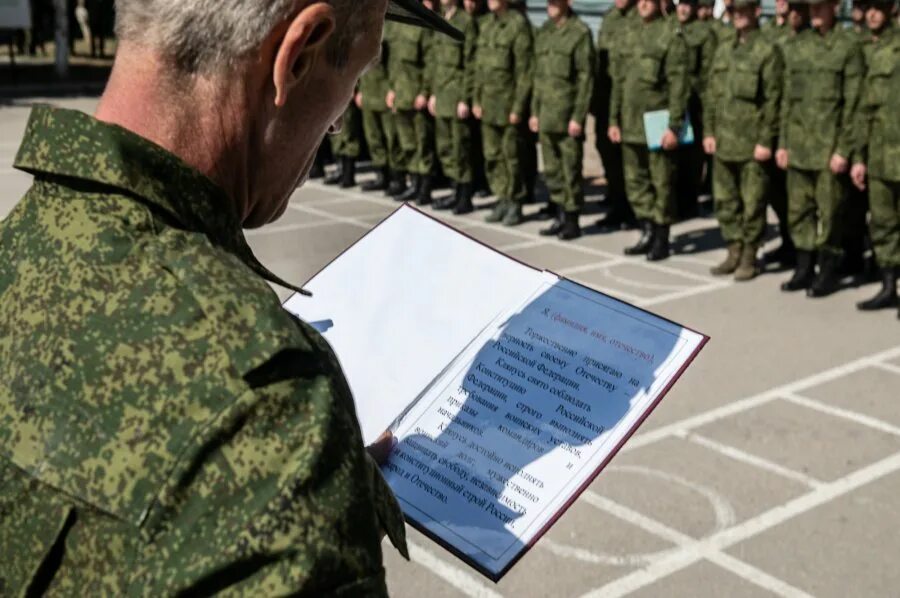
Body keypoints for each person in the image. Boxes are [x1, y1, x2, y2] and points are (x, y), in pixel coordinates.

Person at [0, 1, 461, 594]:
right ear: (296, 55)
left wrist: (308, 493)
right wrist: (294, 482)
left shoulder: (20, 244)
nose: (336, 125)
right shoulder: (270, 407)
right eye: (352, 85)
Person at [777, 0, 864, 297]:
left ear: (834, 7)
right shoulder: (798, 45)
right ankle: (804, 268)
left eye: (820, 7)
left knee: (830, 213)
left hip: (829, 149)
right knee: (799, 211)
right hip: (799, 146)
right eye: (810, 8)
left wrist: (844, 149)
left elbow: (853, 103)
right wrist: (783, 144)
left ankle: (827, 271)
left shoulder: (848, 45)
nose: (814, 12)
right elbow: (788, 99)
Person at [704, 0, 783, 281]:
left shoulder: (767, 50)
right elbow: (712, 94)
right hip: (724, 140)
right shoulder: (724, 48)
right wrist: (709, 131)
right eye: (734, 11)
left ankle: (749, 255)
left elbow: (773, 100)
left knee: (753, 203)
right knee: (725, 201)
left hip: (751, 144)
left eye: (744, 10)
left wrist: (765, 140)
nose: (738, 15)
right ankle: (733, 249)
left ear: (757, 11)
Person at [609, 0, 690, 261]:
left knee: (661, 183)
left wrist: (674, 126)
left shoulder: (670, 34)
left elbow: (679, 84)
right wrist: (613, 119)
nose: (643, 4)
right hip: (630, 123)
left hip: (657, 124)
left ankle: (661, 236)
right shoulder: (628, 31)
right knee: (635, 182)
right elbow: (619, 81)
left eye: (648, 0)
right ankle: (646, 229)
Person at [529, 0, 595, 241]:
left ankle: (572, 219)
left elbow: (585, 79)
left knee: (570, 171)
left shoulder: (579, 33)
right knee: (552, 170)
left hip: (568, 117)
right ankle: (558, 214)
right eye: (549, 2)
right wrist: (535, 112)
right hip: (547, 114)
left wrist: (578, 116)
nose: (551, 6)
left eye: (556, 2)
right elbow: (538, 76)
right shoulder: (545, 31)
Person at [851, 0, 899, 313]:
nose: (872, 13)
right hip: (882, 156)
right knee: (882, 224)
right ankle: (888, 286)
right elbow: (866, 109)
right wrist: (859, 157)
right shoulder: (880, 52)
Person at [472, 0, 534, 226]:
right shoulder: (487, 24)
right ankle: (502, 198)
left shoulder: (518, 25)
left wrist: (518, 107)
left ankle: (515, 202)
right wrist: (476, 99)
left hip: (508, 107)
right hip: (488, 105)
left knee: (512, 158)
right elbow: (480, 67)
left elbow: (524, 72)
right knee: (493, 156)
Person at [760, 0, 806, 269]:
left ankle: (806, 257)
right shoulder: (772, 35)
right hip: (775, 128)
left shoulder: (807, 39)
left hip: (801, 131)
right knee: (778, 194)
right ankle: (790, 245)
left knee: (801, 201)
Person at [593, 0, 640, 230]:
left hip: (632, 100)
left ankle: (634, 209)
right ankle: (617, 202)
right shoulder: (610, 16)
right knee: (606, 149)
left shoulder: (641, 16)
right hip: (607, 96)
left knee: (630, 158)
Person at [429, 0, 478, 214]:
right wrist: (432, 93)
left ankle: (464, 196)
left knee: (461, 148)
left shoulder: (466, 22)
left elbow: (470, 63)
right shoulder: (438, 20)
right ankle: (454, 190)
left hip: (456, 94)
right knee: (445, 147)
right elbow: (434, 61)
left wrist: (465, 98)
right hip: (441, 95)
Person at [387, 8, 437, 205]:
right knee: (407, 144)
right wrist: (391, 89)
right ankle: (413, 184)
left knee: (422, 144)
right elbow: (393, 62)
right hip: (400, 94)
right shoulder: (396, 26)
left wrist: (424, 92)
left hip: (416, 96)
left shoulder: (422, 27)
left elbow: (429, 62)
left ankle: (424, 188)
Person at [674, 0, 717, 220]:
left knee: (690, 158)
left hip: (693, 103)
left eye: (687, 4)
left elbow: (708, 73)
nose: (682, 9)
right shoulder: (669, 28)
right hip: (669, 103)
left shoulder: (703, 34)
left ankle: (688, 203)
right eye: (680, 3)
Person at [357, 35, 398, 192]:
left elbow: (394, 65)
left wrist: (393, 89)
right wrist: (360, 90)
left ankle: (396, 178)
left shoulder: (386, 33)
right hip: (368, 91)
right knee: (373, 137)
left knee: (391, 138)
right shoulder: (364, 29)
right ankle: (381, 175)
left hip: (384, 91)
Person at [324, 102, 362, 187]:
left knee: (347, 135)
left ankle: (348, 175)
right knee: (335, 136)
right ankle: (341, 171)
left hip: (345, 99)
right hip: (334, 99)